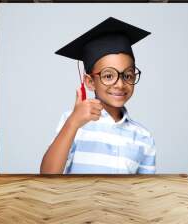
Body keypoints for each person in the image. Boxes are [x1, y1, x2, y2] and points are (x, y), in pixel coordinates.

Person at [40, 17, 155, 174]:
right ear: (90, 82)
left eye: (127, 75)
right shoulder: (74, 123)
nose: (120, 84)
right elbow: (47, 174)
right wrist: (73, 123)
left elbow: (145, 190)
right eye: (108, 76)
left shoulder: (143, 137)